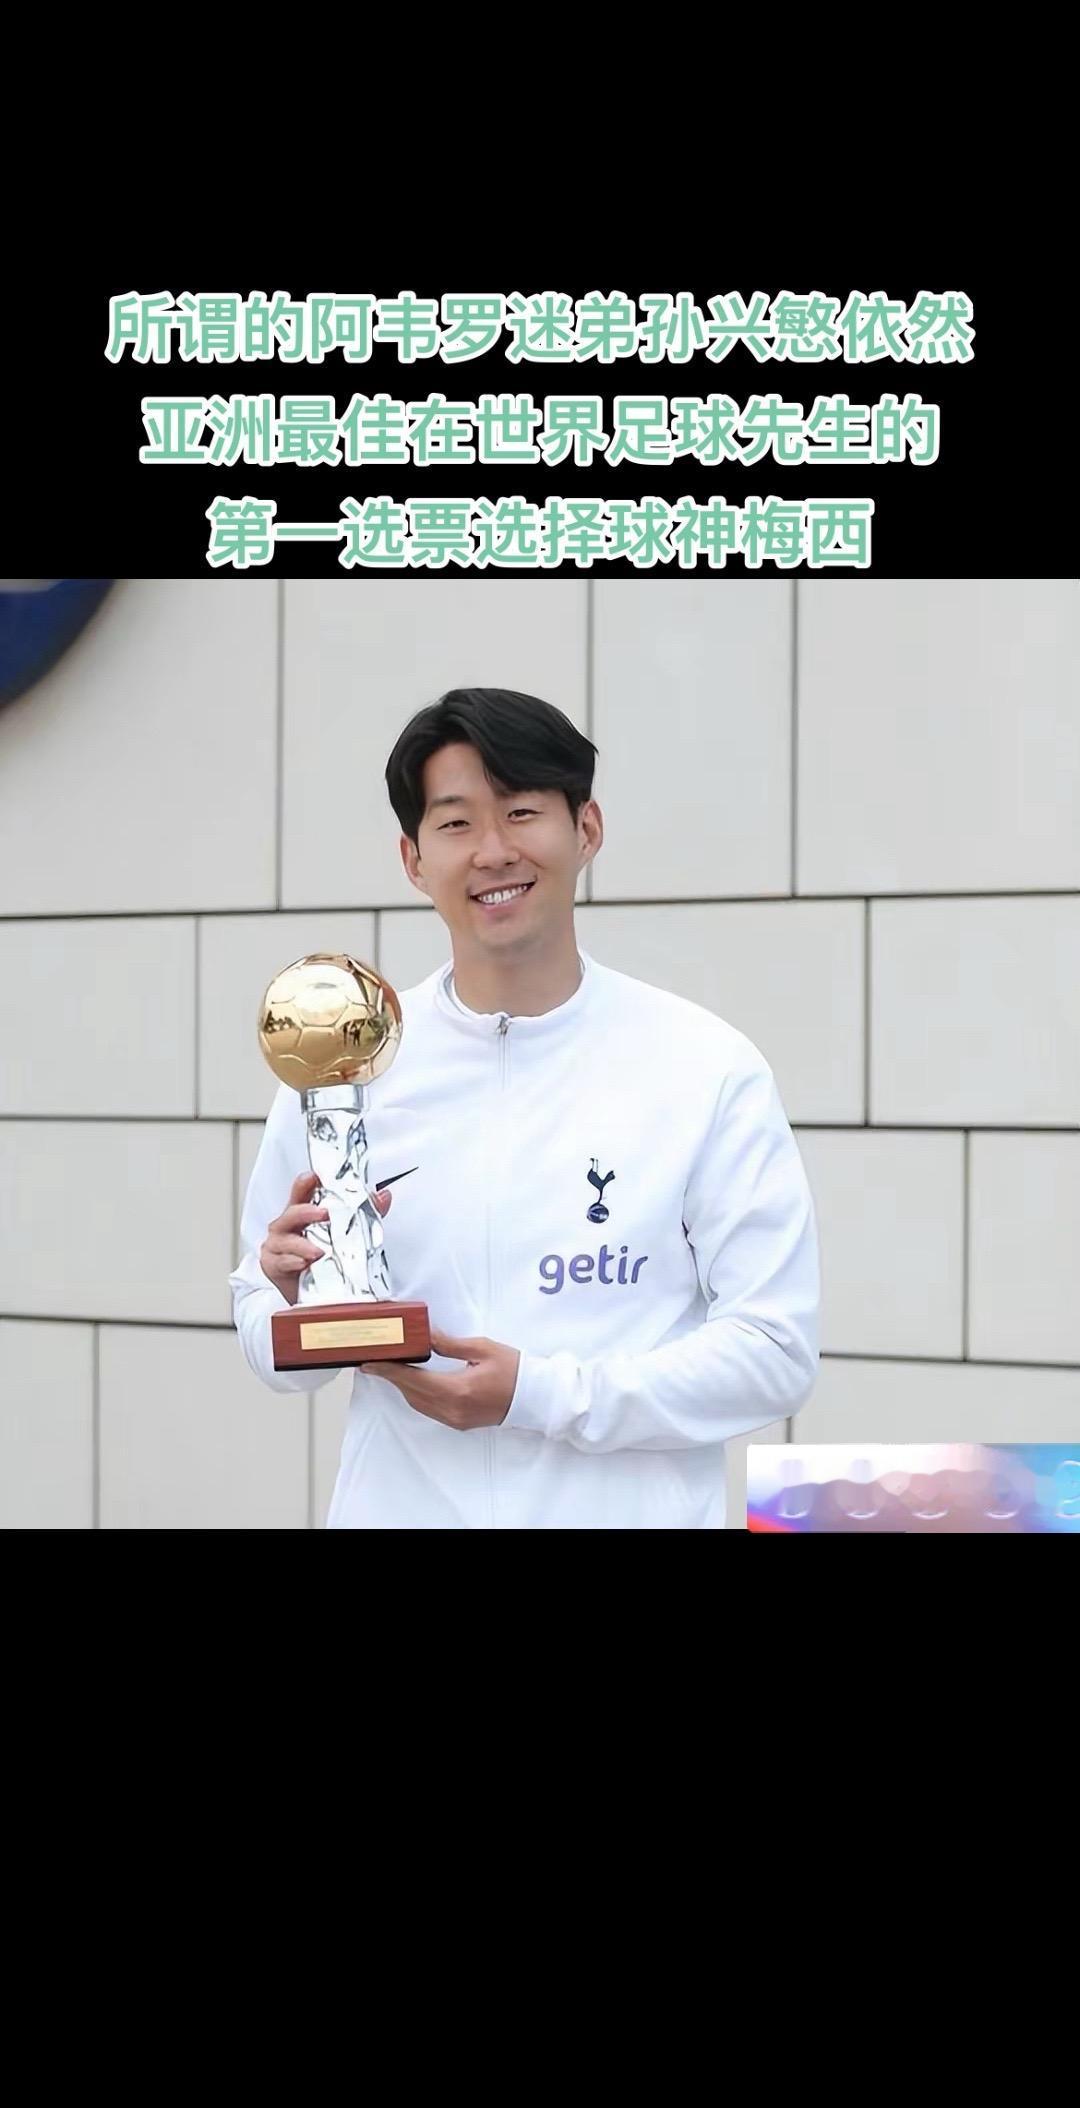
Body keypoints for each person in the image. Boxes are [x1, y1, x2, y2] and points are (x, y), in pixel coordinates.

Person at [230, 687, 820, 1529]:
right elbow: (266, 1333)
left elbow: (774, 1353)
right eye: (456, 823)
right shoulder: (349, 1067)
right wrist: (294, 1300)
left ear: (587, 829)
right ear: (413, 858)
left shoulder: (704, 1068)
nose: (493, 851)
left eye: (521, 812)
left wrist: (539, 1395)